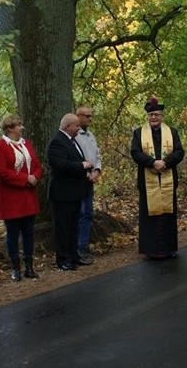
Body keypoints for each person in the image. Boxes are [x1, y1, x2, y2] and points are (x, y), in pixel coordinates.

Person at [130, 98, 185, 258]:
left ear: (162, 116)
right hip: (148, 180)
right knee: (149, 216)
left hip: (167, 178)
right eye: (151, 115)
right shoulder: (139, 133)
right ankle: (151, 250)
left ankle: (169, 248)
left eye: (157, 115)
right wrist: (153, 162)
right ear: (147, 116)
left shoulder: (172, 132)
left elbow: (179, 152)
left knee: (168, 215)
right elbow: (135, 153)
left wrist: (164, 164)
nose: (154, 117)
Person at [0, 115, 43, 281]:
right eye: (18, 125)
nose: (22, 127)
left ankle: (29, 266)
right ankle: (15, 268)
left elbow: (36, 165)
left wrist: (35, 176)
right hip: (11, 198)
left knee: (29, 232)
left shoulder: (26, 144)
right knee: (12, 234)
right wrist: (24, 179)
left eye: (21, 124)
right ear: (9, 129)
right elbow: (2, 172)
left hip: (28, 195)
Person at [47, 113, 94, 271]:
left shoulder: (72, 141)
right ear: (67, 126)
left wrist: (85, 171)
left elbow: (74, 160)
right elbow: (61, 164)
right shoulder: (57, 142)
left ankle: (74, 256)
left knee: (74, 227)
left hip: (75, 192)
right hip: (62, 194)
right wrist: (82, 166)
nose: (79, 128)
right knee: (63, 228)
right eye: (76, 125)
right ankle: (63, 259)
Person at [74, 105, 102, 260]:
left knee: (88, 214)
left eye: (91, 116)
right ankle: (77, 247)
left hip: (90, 180)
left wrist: (97, 171)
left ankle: (84, 246)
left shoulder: (90, 135)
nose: (90, 119)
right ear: (78, 115)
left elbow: (97, 155)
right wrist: (85, 173)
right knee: (80, 213)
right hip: (79, 180)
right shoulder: (74, 135)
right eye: (87, 116)